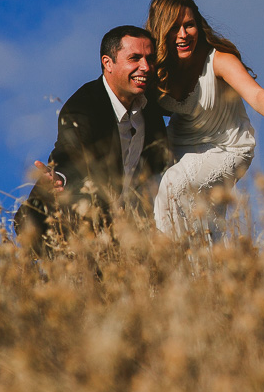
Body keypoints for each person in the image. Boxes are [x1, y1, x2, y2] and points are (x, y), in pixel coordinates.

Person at [146, 0, 264, 238]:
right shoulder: (155, 69)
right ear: (160, 31)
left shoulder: (218, 60)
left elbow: (254, 93)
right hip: (179, 147)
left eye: (189, 25)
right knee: (193, 215)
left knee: (172, 185)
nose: (183, 35)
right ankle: (200, 271)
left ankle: (169, 260)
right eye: (174, 27)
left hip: (227, 148)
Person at [15, 26, 170, 245]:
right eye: (134, 58)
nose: (145, 67)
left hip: (135, 225)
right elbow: (70, 154)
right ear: (108, 63)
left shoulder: (150, 102)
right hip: (87, 226)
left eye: (149, 59)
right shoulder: (83, 107)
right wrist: (59, 177)